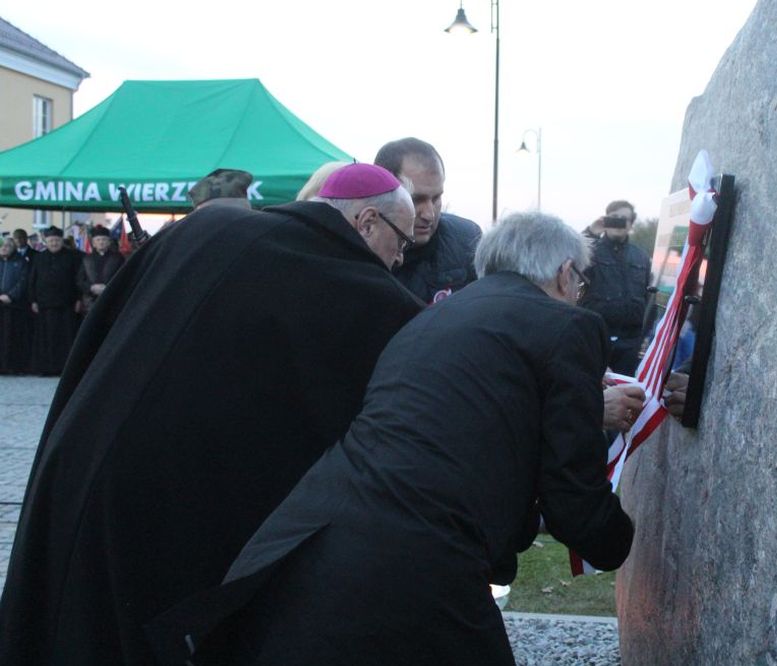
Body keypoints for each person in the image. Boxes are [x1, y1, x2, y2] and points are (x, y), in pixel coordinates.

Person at [148, 211, 634, 666]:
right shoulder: (567, 325)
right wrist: (620, 541)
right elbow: (571, 488)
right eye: (582, 283)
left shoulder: (437, 315)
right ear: (566, 273)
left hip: (315, 532)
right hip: (418, 557)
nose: (580, 294)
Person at [0, 164, 425, 666]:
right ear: (368, 221)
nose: (398, 260)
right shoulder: (350, 284)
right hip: (163, 498)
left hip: (82, 453)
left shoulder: (206, 228)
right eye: (400, 243)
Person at [375, 137, 482, 303]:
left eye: (436, 198)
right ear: (383, 193)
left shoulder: (468, 241)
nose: (429, 214)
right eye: (416, 199)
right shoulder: (355, 248)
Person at [579, 200, 652, 376]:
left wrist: (645, 334)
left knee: (624, 391)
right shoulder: (590, 250)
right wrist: (590, 232)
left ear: (631, 224)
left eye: (624, 219)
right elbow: (570, 261)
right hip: (594, 339)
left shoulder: (641, 256)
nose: (619, 223)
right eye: (614, 218)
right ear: (605, 220)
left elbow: (648, 297)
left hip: (629, 343)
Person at [27, 226, 81, 375]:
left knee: (65, 338)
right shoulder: (38, 257)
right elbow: (32, 280)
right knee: (46, 339)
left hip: (67, 305)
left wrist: (78, 299)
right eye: (51, 241)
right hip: (44, 305)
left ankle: (64, 369)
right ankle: (46, 368)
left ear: (61, 240)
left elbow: (78, 280)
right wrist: (33, 300)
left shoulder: (73, 257)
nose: (54, 243)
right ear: (46, 241)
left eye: (56, 240)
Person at [77, 225, 125, 314]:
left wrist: (107, 288)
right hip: (90, 303)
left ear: (109, 242)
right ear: (93, 243)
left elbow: (123, 278)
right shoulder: (86, 259)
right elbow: (80, 280)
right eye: (98, 240)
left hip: (111, 300)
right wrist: (91, 288)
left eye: (104, 239)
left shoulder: (118, 258)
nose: (101, 242)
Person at [0, 238, 30, 374]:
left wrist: (10, 296)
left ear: (14, 248)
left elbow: (23, 282)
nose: (4, 248)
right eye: (2, 245)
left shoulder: (21, 262)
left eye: (8, 245)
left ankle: (11, 366)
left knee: (12, 337)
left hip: (14, 306)